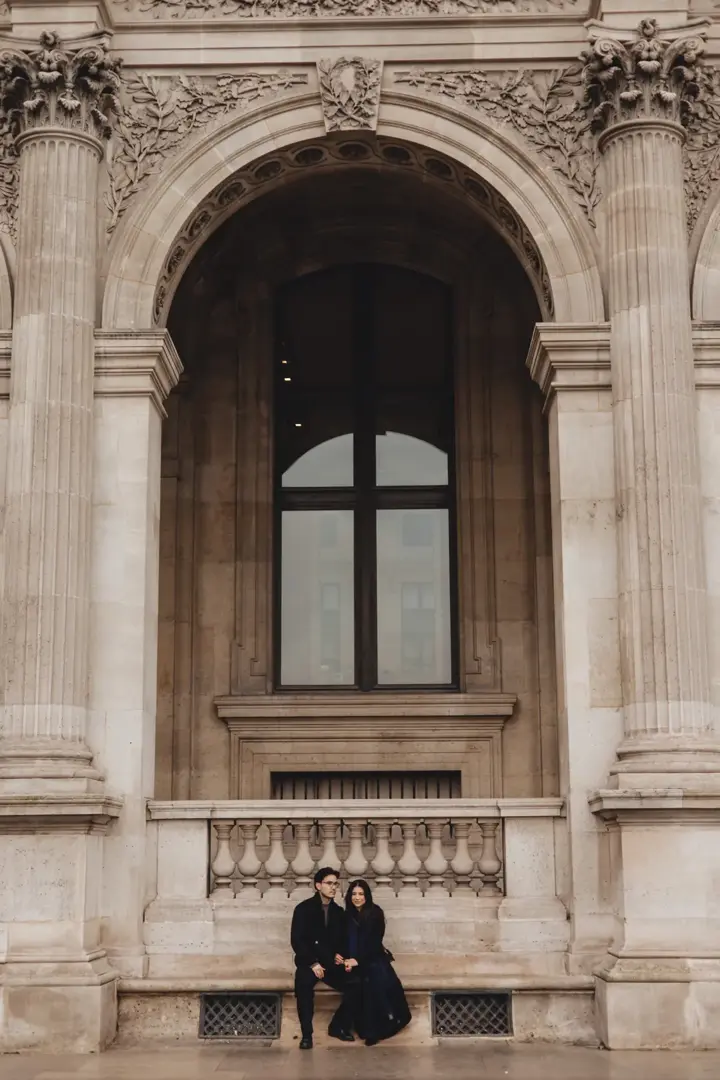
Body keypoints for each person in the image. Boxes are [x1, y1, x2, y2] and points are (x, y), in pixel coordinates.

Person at [290, 866, 359, 1050]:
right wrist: (313, 963)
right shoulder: (303, 909)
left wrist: (340, 956)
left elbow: (342, 941)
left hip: (330, 964)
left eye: (336, 884)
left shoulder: (338, 912)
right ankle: (306, 1035)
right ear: (318, 885)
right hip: (310, 962)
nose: (333, 887)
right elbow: (297, 941)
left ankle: (338, 1026)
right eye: (329, 883)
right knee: (303, 984)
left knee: (357, 982)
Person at [342, 878, 412, 1046]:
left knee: (375, 981)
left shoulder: (375, 913)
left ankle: (380, 1029)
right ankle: (364, 1028)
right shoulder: (347, 915)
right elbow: (344, 941)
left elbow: (374, 942)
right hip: (353, 961)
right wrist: (345, 958)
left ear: (367, 896)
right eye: (354, 894)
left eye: (361, 894)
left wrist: (358, 960)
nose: (357, 897)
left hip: (372, 958)